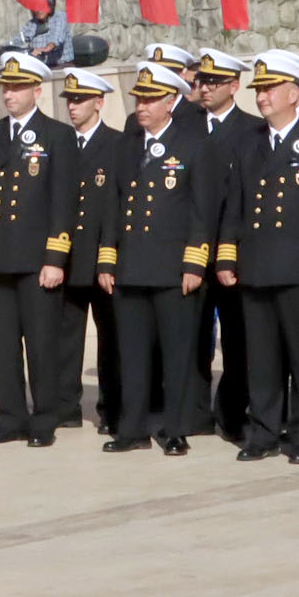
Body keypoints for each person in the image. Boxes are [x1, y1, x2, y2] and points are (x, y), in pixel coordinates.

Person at [220, 50, 299, 463]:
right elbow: (236, 204)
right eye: (259, 89)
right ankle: (264, 432)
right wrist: (227, 256)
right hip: (257, 265)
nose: (262, 96)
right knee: (262, 358)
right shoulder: (249, 140)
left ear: (297, 91)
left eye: (271, 88)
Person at [0, 49, 83, 446]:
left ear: (36, 90)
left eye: (17, 88)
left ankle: (45, 419)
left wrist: (55, 258)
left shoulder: (57, 135)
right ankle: (11, 418)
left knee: (42, 343)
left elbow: (63, 202)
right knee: (2, 346)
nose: (9, 94)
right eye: (6, 87)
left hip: (36, 259)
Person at [99, 62, 219, 456]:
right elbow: (112, 206)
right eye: (139, 99)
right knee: (132, 354)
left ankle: (175, 429)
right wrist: (107, 259)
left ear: (171, 102)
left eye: (151, 100)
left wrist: (195, 262)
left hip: (172, 268)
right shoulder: (125, 146)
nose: (142, 106)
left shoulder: (194, 144)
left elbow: (202, 209)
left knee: (176, 355)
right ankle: (132, 428)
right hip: (131, 266)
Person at [184, 49, 266, 434]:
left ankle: (232, 412)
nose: (205, 88)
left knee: (237, 339)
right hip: (190, 250)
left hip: (233, 251)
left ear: (234, 86)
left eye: (215, 82)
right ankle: (195, 413)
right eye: (202, 81)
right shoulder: (185, 126)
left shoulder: (252, 130)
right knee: (193, 337)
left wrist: (231, 250)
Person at [61, 71, 127, 435]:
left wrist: (109, 254)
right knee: (66, 337)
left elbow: (117, 204)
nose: (73, 107)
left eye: (80, 100)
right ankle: (65, 407)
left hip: (104, 258)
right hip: (68, 257)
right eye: (69, 100)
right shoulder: (60, 142)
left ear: (99, 102)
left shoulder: (117, 144)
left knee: (112, 339)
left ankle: (111, 409)